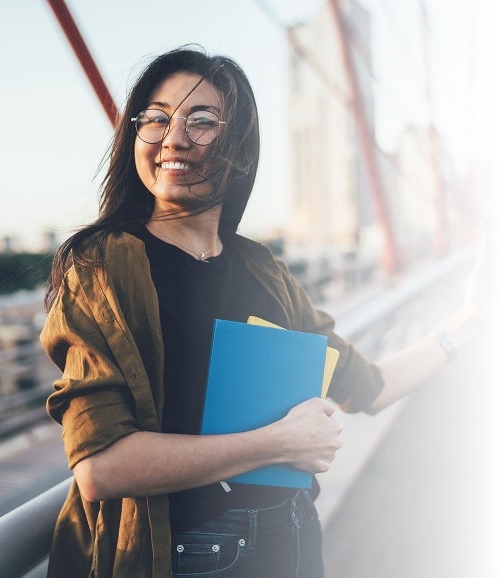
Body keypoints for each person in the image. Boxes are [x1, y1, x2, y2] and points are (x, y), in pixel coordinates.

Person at [40, 46, 483, 578]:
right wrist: (279, 442)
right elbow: (101, 466)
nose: (173, 138)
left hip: (293, 532)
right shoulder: (105, 267)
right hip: (187, 555)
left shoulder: (261, 268)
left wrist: (472, 320)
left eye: (201, 122)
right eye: (155, 119)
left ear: (239, 146)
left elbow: (367, 386)